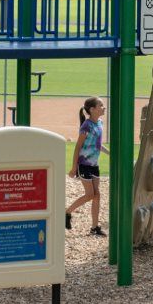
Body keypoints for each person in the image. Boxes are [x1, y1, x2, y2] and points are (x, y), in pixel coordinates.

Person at [63, 97, 106, 236]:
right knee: (90, 195)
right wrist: (74, 167)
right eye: (101, 105)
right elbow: (78, 148)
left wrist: (112, 154)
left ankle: (95, 227)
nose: (104, 107)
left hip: (95, 165)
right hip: (84, 165)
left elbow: (98, 146)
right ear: (92, 110)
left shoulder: (100, 123)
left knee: (97, 195)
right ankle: (67, 212)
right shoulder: (86, 126)